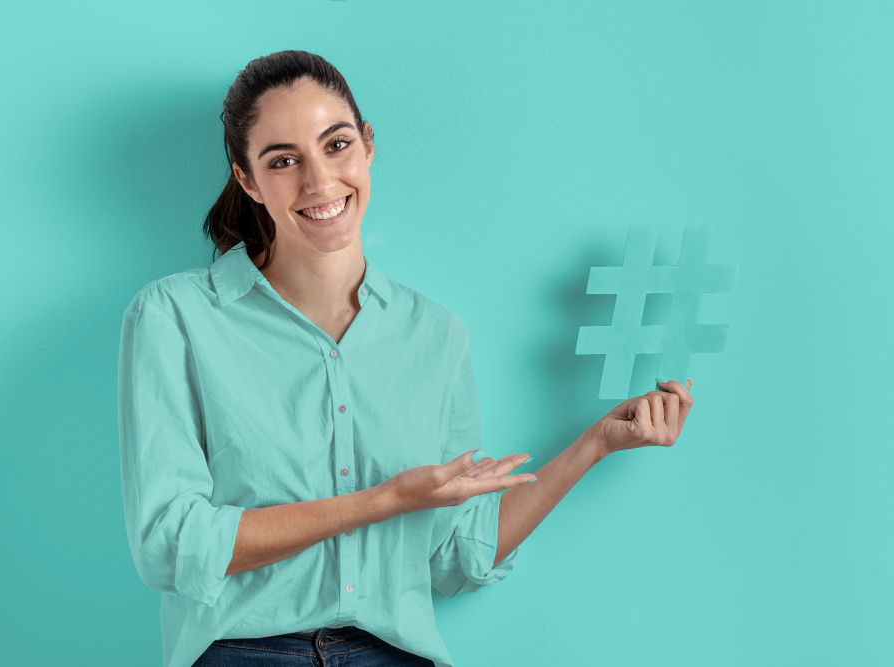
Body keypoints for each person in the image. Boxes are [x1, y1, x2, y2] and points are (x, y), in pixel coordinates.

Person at [117, 49, 695, 667]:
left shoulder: (436, 336)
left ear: (366, 146)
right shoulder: (173, 316)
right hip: (242, 652)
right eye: (283, 161)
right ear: (248, 180)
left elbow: (456, 557)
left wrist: (597, 443)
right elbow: (171, 545)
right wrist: (382, 502)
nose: (318, 182)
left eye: (335, 145)